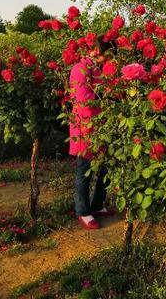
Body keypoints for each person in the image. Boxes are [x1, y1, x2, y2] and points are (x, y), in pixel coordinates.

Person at [69, 47, 114, 229]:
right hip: (86, 127)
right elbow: (84, 101)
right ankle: (82, 211)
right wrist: (106, 95)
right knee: (84, 171)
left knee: (105, 168)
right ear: (96, 50)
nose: (109, 60)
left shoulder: (97, 68)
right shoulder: (80, 69)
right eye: (107, 54)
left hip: (101, 125)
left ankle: (97, 205)